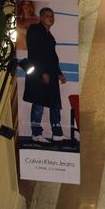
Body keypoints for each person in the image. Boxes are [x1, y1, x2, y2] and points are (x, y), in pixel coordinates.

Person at [23, 8, 66, 143]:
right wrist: (42, 72)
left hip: (51, 74)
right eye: (47, 16)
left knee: (54, 104)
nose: (51, 18)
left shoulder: (49, 35)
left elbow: (52, 56)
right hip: (39, 74)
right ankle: (36, 133)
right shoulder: (35, 30)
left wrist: (59, 73)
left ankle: (57, 133)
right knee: (39, 103)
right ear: (41, 18)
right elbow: (35, 53)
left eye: (52, 16)